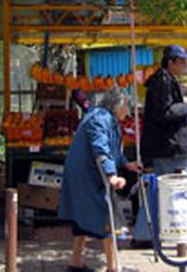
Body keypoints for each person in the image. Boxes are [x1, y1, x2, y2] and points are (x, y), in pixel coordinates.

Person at [131, 44, 187, 248]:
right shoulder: (162, 82)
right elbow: (166, 113)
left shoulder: (164, 80)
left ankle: (142, 234)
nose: (184, 65)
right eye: (181, 61)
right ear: (170, 62)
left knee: (154, 190)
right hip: (169, 147)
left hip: (164, 146)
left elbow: (175, 114)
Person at [58, 87, 142, 272]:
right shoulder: (100, 119)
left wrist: (127, 164)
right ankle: (113, 267)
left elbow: (113, 150)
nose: (127, 111)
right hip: (88, 177)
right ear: (118, 105)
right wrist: (112, 176)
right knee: (106, 217)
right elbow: (101, 149)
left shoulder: (105, 118)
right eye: (126, 106)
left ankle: (75, 262)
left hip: (85, 176)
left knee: (83, 220)